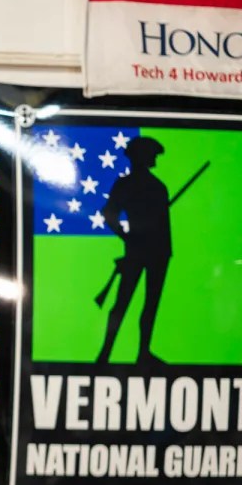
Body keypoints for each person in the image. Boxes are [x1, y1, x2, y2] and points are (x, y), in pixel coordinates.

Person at [96, 136, 172, 365]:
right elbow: (109, 214)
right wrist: (127, 236)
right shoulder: (127, 185)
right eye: (151, 154)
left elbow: (163, 226)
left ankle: (143, 353)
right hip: (139, 251)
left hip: (158, 253)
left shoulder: (158, 187)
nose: (154, 158)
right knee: (122, 304)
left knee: (150, 305)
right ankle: (105, 355)